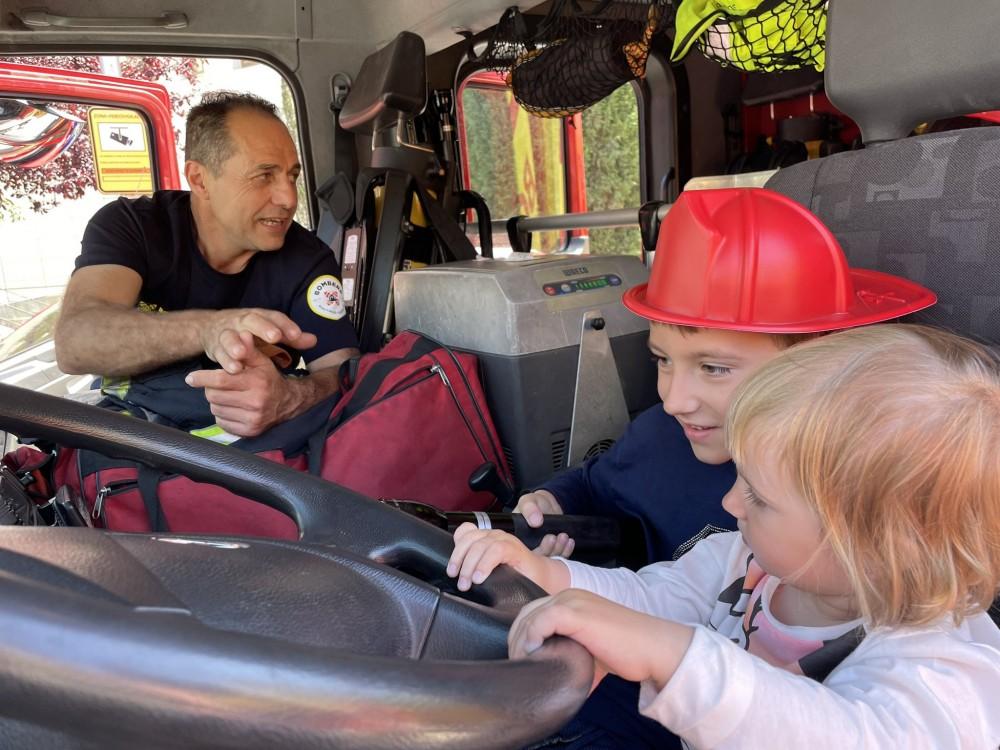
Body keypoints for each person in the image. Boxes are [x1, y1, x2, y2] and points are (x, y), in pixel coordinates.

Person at [508, 186, 938, 749]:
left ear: (813, 365)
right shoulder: (663, 439)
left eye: (713, 368)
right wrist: (553, 504)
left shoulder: (913, 639)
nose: (673, 399)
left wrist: (668, 653)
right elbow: (600, 489)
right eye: (662, 360)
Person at [450, 324, 1000, 749]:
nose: (730, 503)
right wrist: (546, 575)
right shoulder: (745, 559)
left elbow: (841, 735)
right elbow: (655, 596)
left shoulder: (940, 667)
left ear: (874, 546)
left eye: (757, 495)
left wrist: (672, 655)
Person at [53, 91, 358, 438]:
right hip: (134, 441)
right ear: (199, 179)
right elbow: (74, 343)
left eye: (292, 176)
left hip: (248, 458)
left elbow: (343, 373)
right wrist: (210, 330)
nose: (289, 198)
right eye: (264, 176)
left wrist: (291, 397)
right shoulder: (133, 226)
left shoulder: (307, 259)